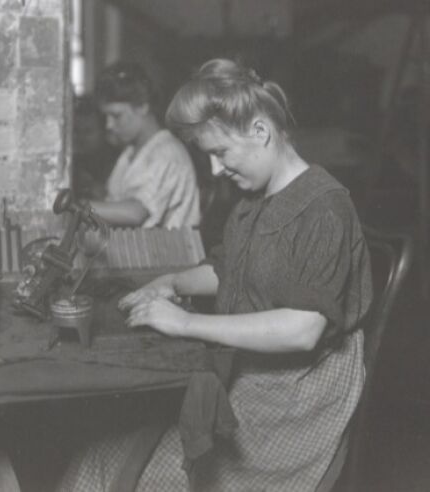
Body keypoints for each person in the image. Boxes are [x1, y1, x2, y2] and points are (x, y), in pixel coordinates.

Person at [58, 59, 372, 491]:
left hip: (293, 403)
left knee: (126, 472)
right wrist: (171, 283)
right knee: (99, 456)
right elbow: (229, 269)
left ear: (260, 132)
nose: (214, 170)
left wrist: (185, 321)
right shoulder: (253, 199)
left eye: (219, 153)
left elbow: (302, 329)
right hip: (249, 380)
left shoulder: (324, 208)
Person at [86, 62, 200, 229]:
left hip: (171, 251)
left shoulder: (166, 153)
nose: (109, 125)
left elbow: (135, 213)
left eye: (116, 116)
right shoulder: (131, 151)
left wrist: (80, 207)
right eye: (106, 117)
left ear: (143, 107)